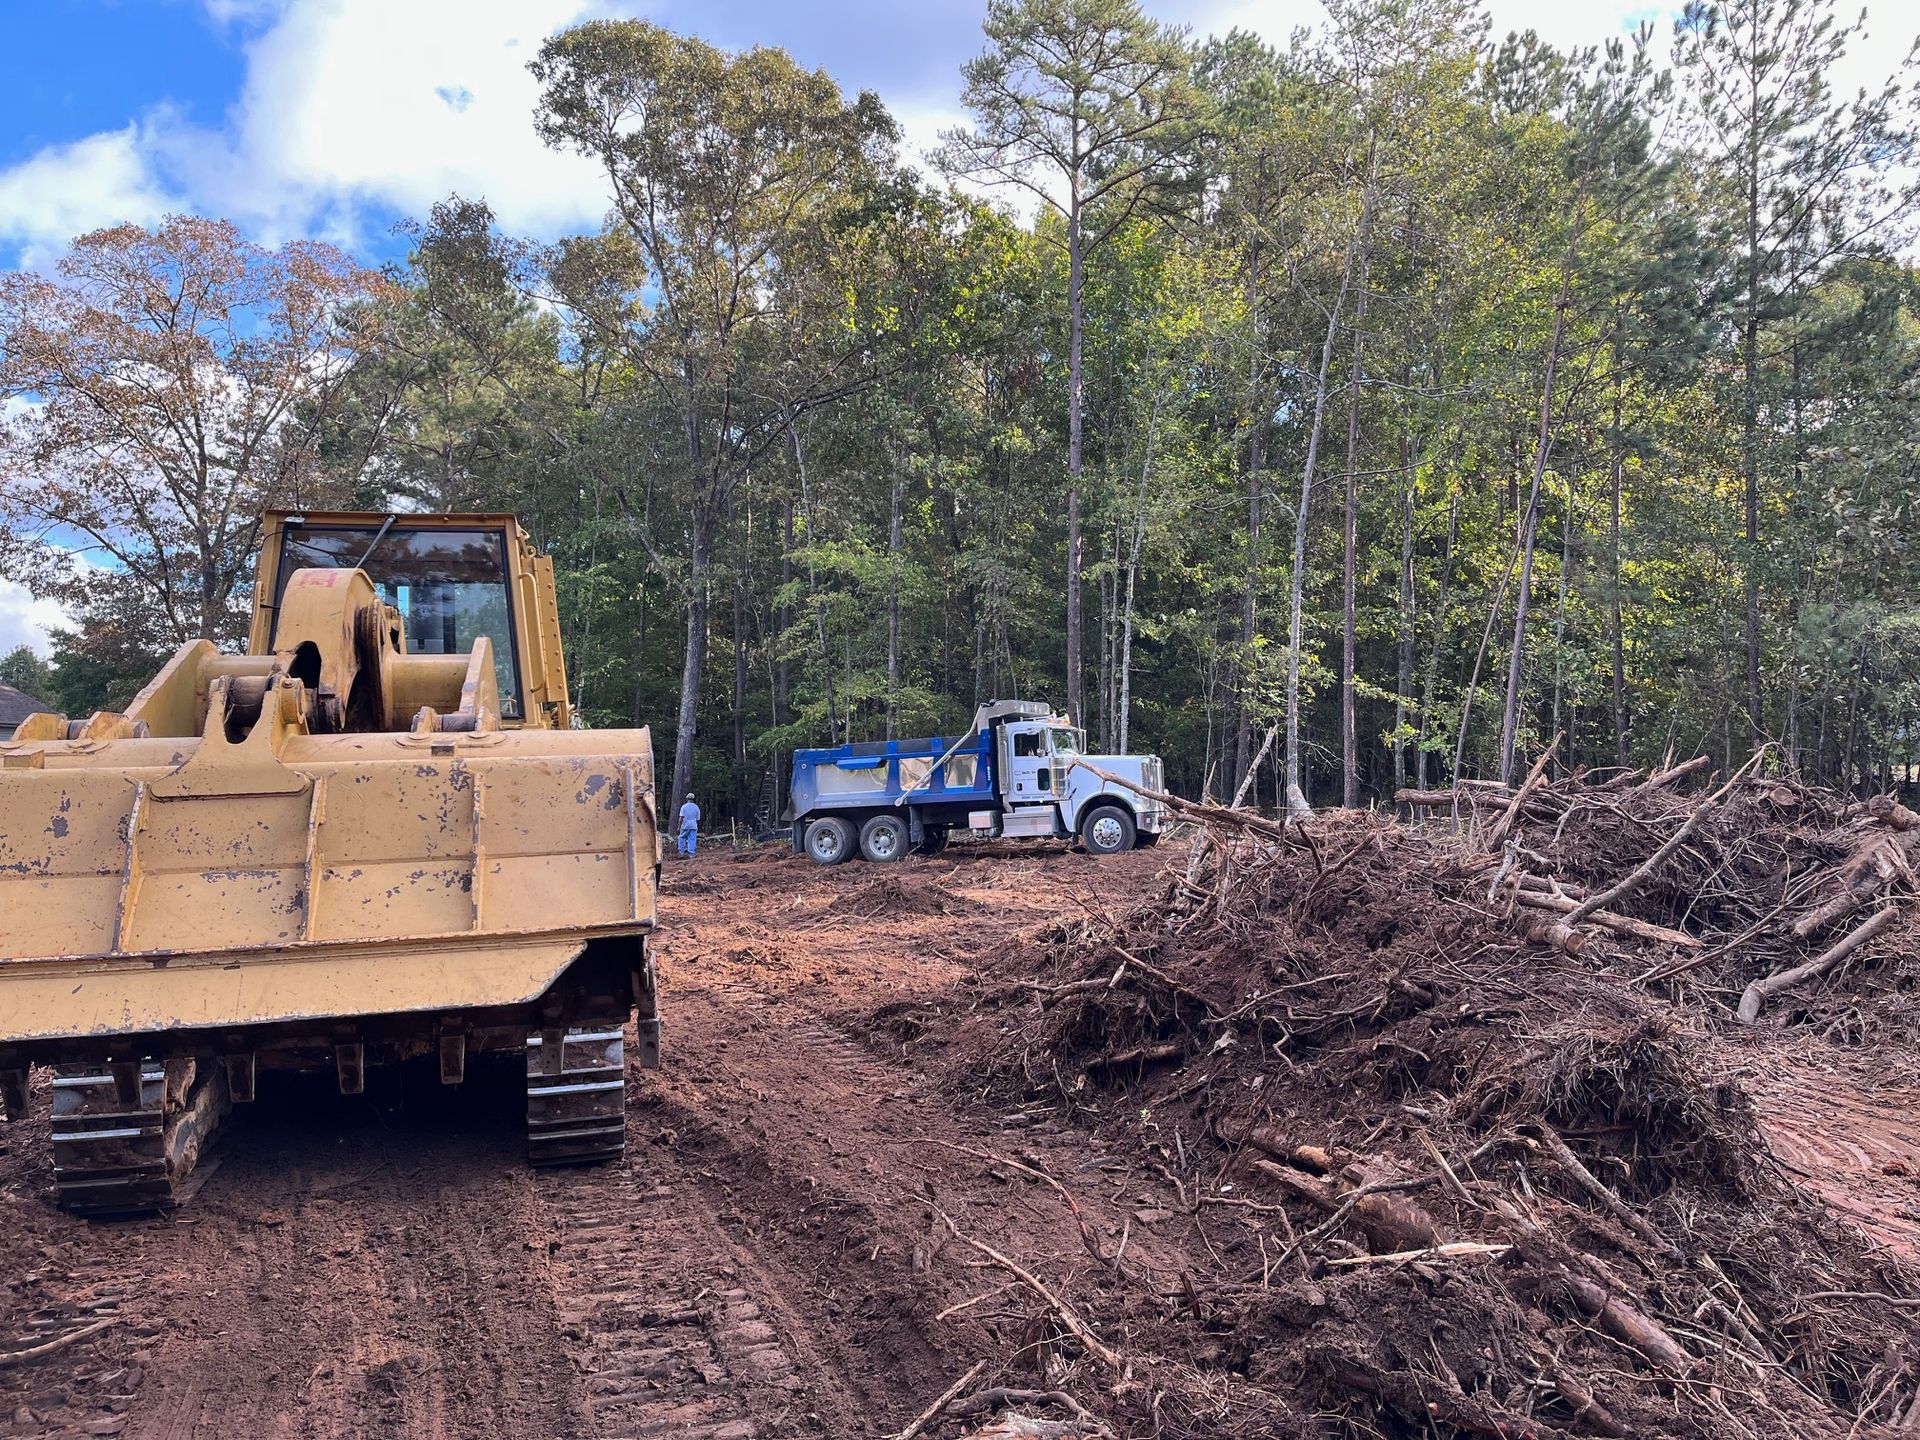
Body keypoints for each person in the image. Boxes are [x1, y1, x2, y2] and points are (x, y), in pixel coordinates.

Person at [677, 793, 701, 859]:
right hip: (693, 825)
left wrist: (679, 826)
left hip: (685, 825)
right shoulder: (696, 807)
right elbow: (697, 819)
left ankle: (681, 852)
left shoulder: (684, 807)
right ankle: (691, 854)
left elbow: (681, 818)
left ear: (687, 798)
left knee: (681, 838)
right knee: (692, 839)